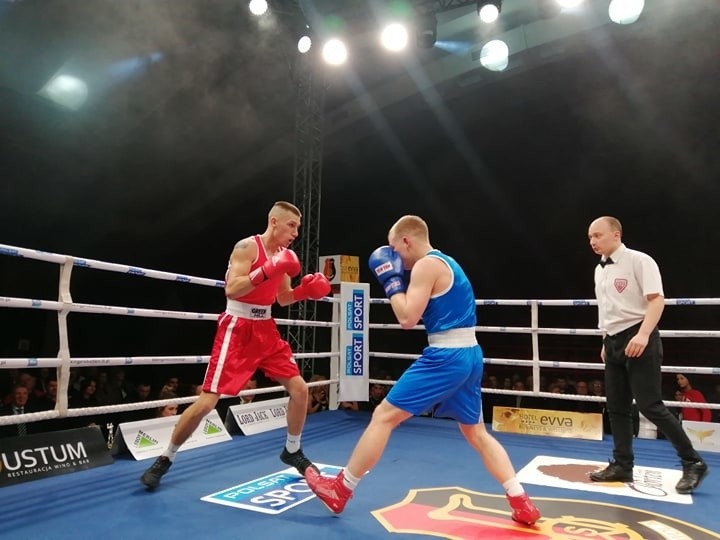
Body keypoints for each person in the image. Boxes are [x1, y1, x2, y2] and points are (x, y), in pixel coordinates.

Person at [305, 215, 540, 525]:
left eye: (394, 249)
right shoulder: (448, 262)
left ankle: (341, 489)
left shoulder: (426, 265)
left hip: (446, 355)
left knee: (383, 417)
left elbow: (406, 318)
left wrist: (390, 282)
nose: (393, 258)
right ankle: (521, 502)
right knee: (476, 433)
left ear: (407, 241)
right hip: (470, 353)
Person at [140, 201, 331, 489]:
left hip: (266, 328)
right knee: (207, 402)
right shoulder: (247, 248)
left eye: (298, 227)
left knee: (301, 389)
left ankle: (292, 450)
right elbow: (232, 288)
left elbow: (283, 298)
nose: (295, 232)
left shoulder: (285, 256)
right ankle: (166, 457)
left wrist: (305, 291)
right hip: (237, 327)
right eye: (291, 225)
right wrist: (266, 269)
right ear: (274, 221)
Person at [586, 216, 708, 493]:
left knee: (650, 405)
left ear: (616, 234)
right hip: (614, 340)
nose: (593, 241)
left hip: (640, 337)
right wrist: (606, 338)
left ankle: (693, 463)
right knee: (616, 406)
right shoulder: (599, 269)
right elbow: (608, 308)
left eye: (598, 235)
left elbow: (657, 299)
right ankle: (622, 465)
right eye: (590, 237)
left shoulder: (640, 260)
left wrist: (642, 334)